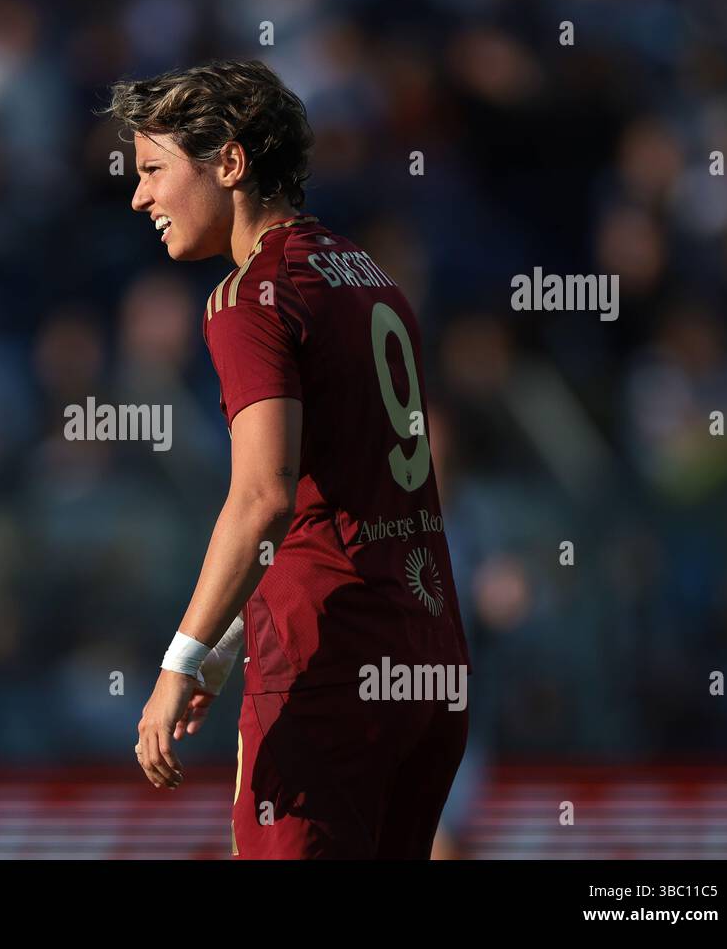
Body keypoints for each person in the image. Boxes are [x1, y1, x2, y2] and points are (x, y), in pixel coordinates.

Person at [103, 59, 471, 858]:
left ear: (229, 163)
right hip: (430, 655)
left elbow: (263, 498)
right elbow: (330, 496)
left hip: (326, 663)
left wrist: (181, 660)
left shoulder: (250, 297)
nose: (139, 197)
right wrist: (227, 650)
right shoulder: (370, 277)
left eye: (154, 171)